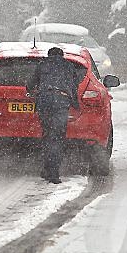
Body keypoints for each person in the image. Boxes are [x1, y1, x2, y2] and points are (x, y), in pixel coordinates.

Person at [27, 47, 80, 184]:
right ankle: (54, 173)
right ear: (62, 56)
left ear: (49, 55)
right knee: (57, 137)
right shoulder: (69, 66)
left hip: (44, 100)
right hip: (61, 100)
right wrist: (75, 104)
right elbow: (74, 87)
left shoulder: (42, 64)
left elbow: (30, 85)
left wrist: (33, 90)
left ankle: (46, 169)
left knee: (47, 134)